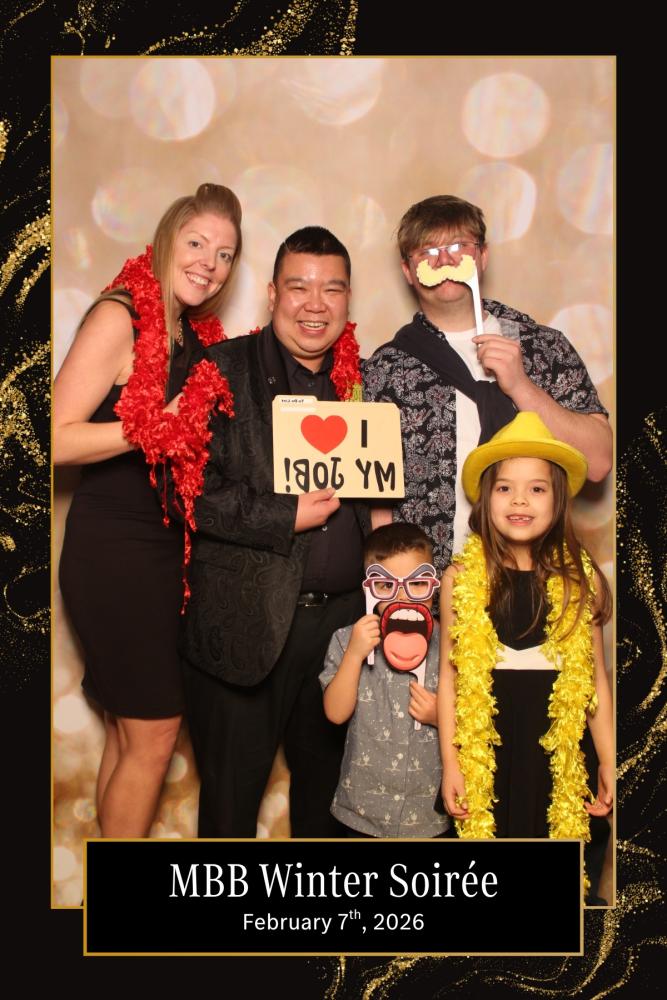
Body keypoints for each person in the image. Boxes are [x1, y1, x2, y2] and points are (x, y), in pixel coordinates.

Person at [55, 183, 242, 837]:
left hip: (166, 556)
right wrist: (151, 427)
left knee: (128, 733)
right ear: (165, 241)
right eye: (196, 243)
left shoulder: (191, 336)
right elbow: (55, 439)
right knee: (155, 732)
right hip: (115, 554)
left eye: (224, 254)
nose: (208, 263)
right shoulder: (121, 317)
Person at [179, 226, 371, 838]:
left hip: (341, 633)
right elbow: (187, 491)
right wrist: (283, 516)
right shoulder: (219, 370)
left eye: (332, 289)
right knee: (230, 813)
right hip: (246, 627)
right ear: (271, 294)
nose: (315, 304)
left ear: (347, 299)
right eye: (299, 287)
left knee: (329, 811)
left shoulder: (360, 383)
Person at [363, 195, 612, 577]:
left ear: (482, 256)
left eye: (458, 246)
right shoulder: (387, 368)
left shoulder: (544, 347)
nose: (444, 261)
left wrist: (521, 386)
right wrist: (394, 584)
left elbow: (598, 463)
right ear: (408, 271)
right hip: (428, 587)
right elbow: (378, 497)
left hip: (534, 580)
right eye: (427, 252)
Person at [438, 412, 613, 897]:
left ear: (558, 500)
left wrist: (607, 759)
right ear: (485, 498)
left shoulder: (578, 581)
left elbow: (596, 679)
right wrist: (451, 764)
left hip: (556, 760)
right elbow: (451, 680)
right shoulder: (460, 580)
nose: (519, 500)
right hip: (489, 758)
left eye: (537, 489)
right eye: (505, 488)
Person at [320, 523, 449, 838]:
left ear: (434, 585)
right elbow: (335, 713)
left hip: (428, 816)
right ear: (369, 589)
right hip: (363, 812)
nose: (403, 596)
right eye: (386, 585)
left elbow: (478, 720)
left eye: (417, 583)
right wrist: (354, 655)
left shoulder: (451, 644)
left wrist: (441, 717)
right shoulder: (347, 639)